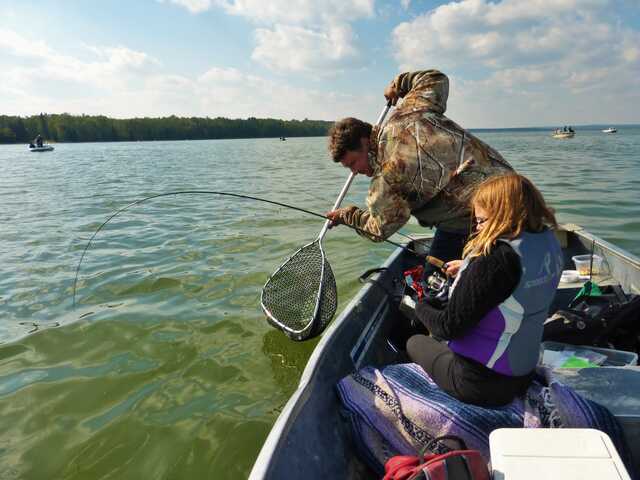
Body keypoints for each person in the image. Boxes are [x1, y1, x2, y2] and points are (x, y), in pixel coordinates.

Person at [406, 173, 563, 407]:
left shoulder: (495, 259)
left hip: (480, 383)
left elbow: (449, 327)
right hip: (523, 373)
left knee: (415, 341)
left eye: (481, 221)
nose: (477, 228)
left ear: (503, 215)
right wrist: (467, 269)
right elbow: (513, 283)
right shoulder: (547, 241)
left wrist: (419, 305)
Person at [326, 70, 512, 267]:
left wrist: (347, 215)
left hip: (478, 219)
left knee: (431, 291)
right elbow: (436, 79)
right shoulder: (409, 111)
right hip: (514, 187)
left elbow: (378, 229)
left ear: (364, 142)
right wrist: (398, 84)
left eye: (353, 163)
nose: (354, 172)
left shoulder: (387, 178)